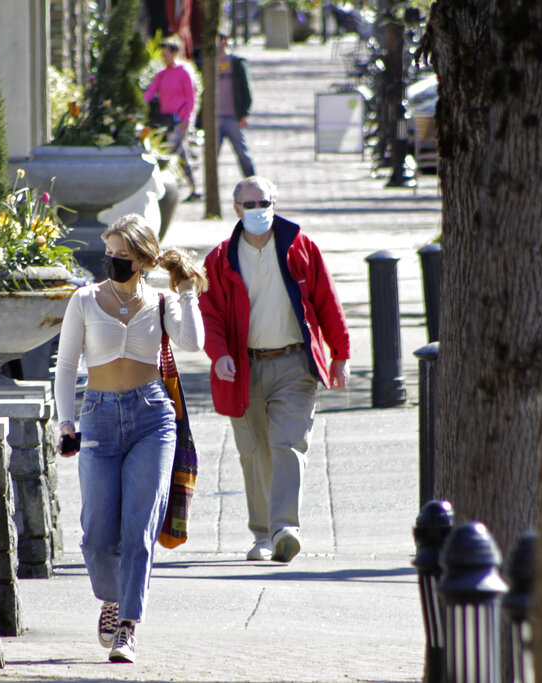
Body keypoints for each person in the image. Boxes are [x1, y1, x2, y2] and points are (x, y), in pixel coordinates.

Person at [54, 213, 207, 663]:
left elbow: (192, 342)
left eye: (123, 255)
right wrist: (66, 423)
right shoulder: (84, 300)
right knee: (98, 532)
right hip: (98, 415)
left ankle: (128, 626)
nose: (114, 261)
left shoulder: (161, 302)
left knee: (140, 528)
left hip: (152, 418)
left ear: (142, 259)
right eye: (110, 253)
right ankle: (112, 597)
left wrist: (186, 292)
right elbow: (65, 367)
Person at [198, 176, 350, 564]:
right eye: (249, 205)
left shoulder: (301, 247)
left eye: (264, 203)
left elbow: (326, 300)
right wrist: (218, 355)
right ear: (236, 210)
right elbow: (209, 314)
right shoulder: (219, 259)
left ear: (275, 204)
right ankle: (262, 535)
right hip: (243, 367)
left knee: (288, 445)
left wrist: (340, 354)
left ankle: (285, 529)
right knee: (254, 453)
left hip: (294, 363)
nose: (258, 211)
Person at [144, 36, 201, 202]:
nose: (164, 58)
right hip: (166, 118)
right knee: (181, 152)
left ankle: (167, 187)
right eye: (163, 55)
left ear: (175, 53)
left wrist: (187, 119)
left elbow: (191, 98)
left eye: (166, 54)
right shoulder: (162, 74)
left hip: (179, 119)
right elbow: (150, 92)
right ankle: (193, 187)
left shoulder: (184, 73)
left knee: (171, 150)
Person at [215, 31, 256, 178]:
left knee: (242, 153)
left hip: (233, 117)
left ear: (223, 41)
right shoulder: (208, 64)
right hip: (215, 118)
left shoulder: (236, 63)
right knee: (211, 157)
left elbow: (246, 90)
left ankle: (252, 183)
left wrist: (244, 114)